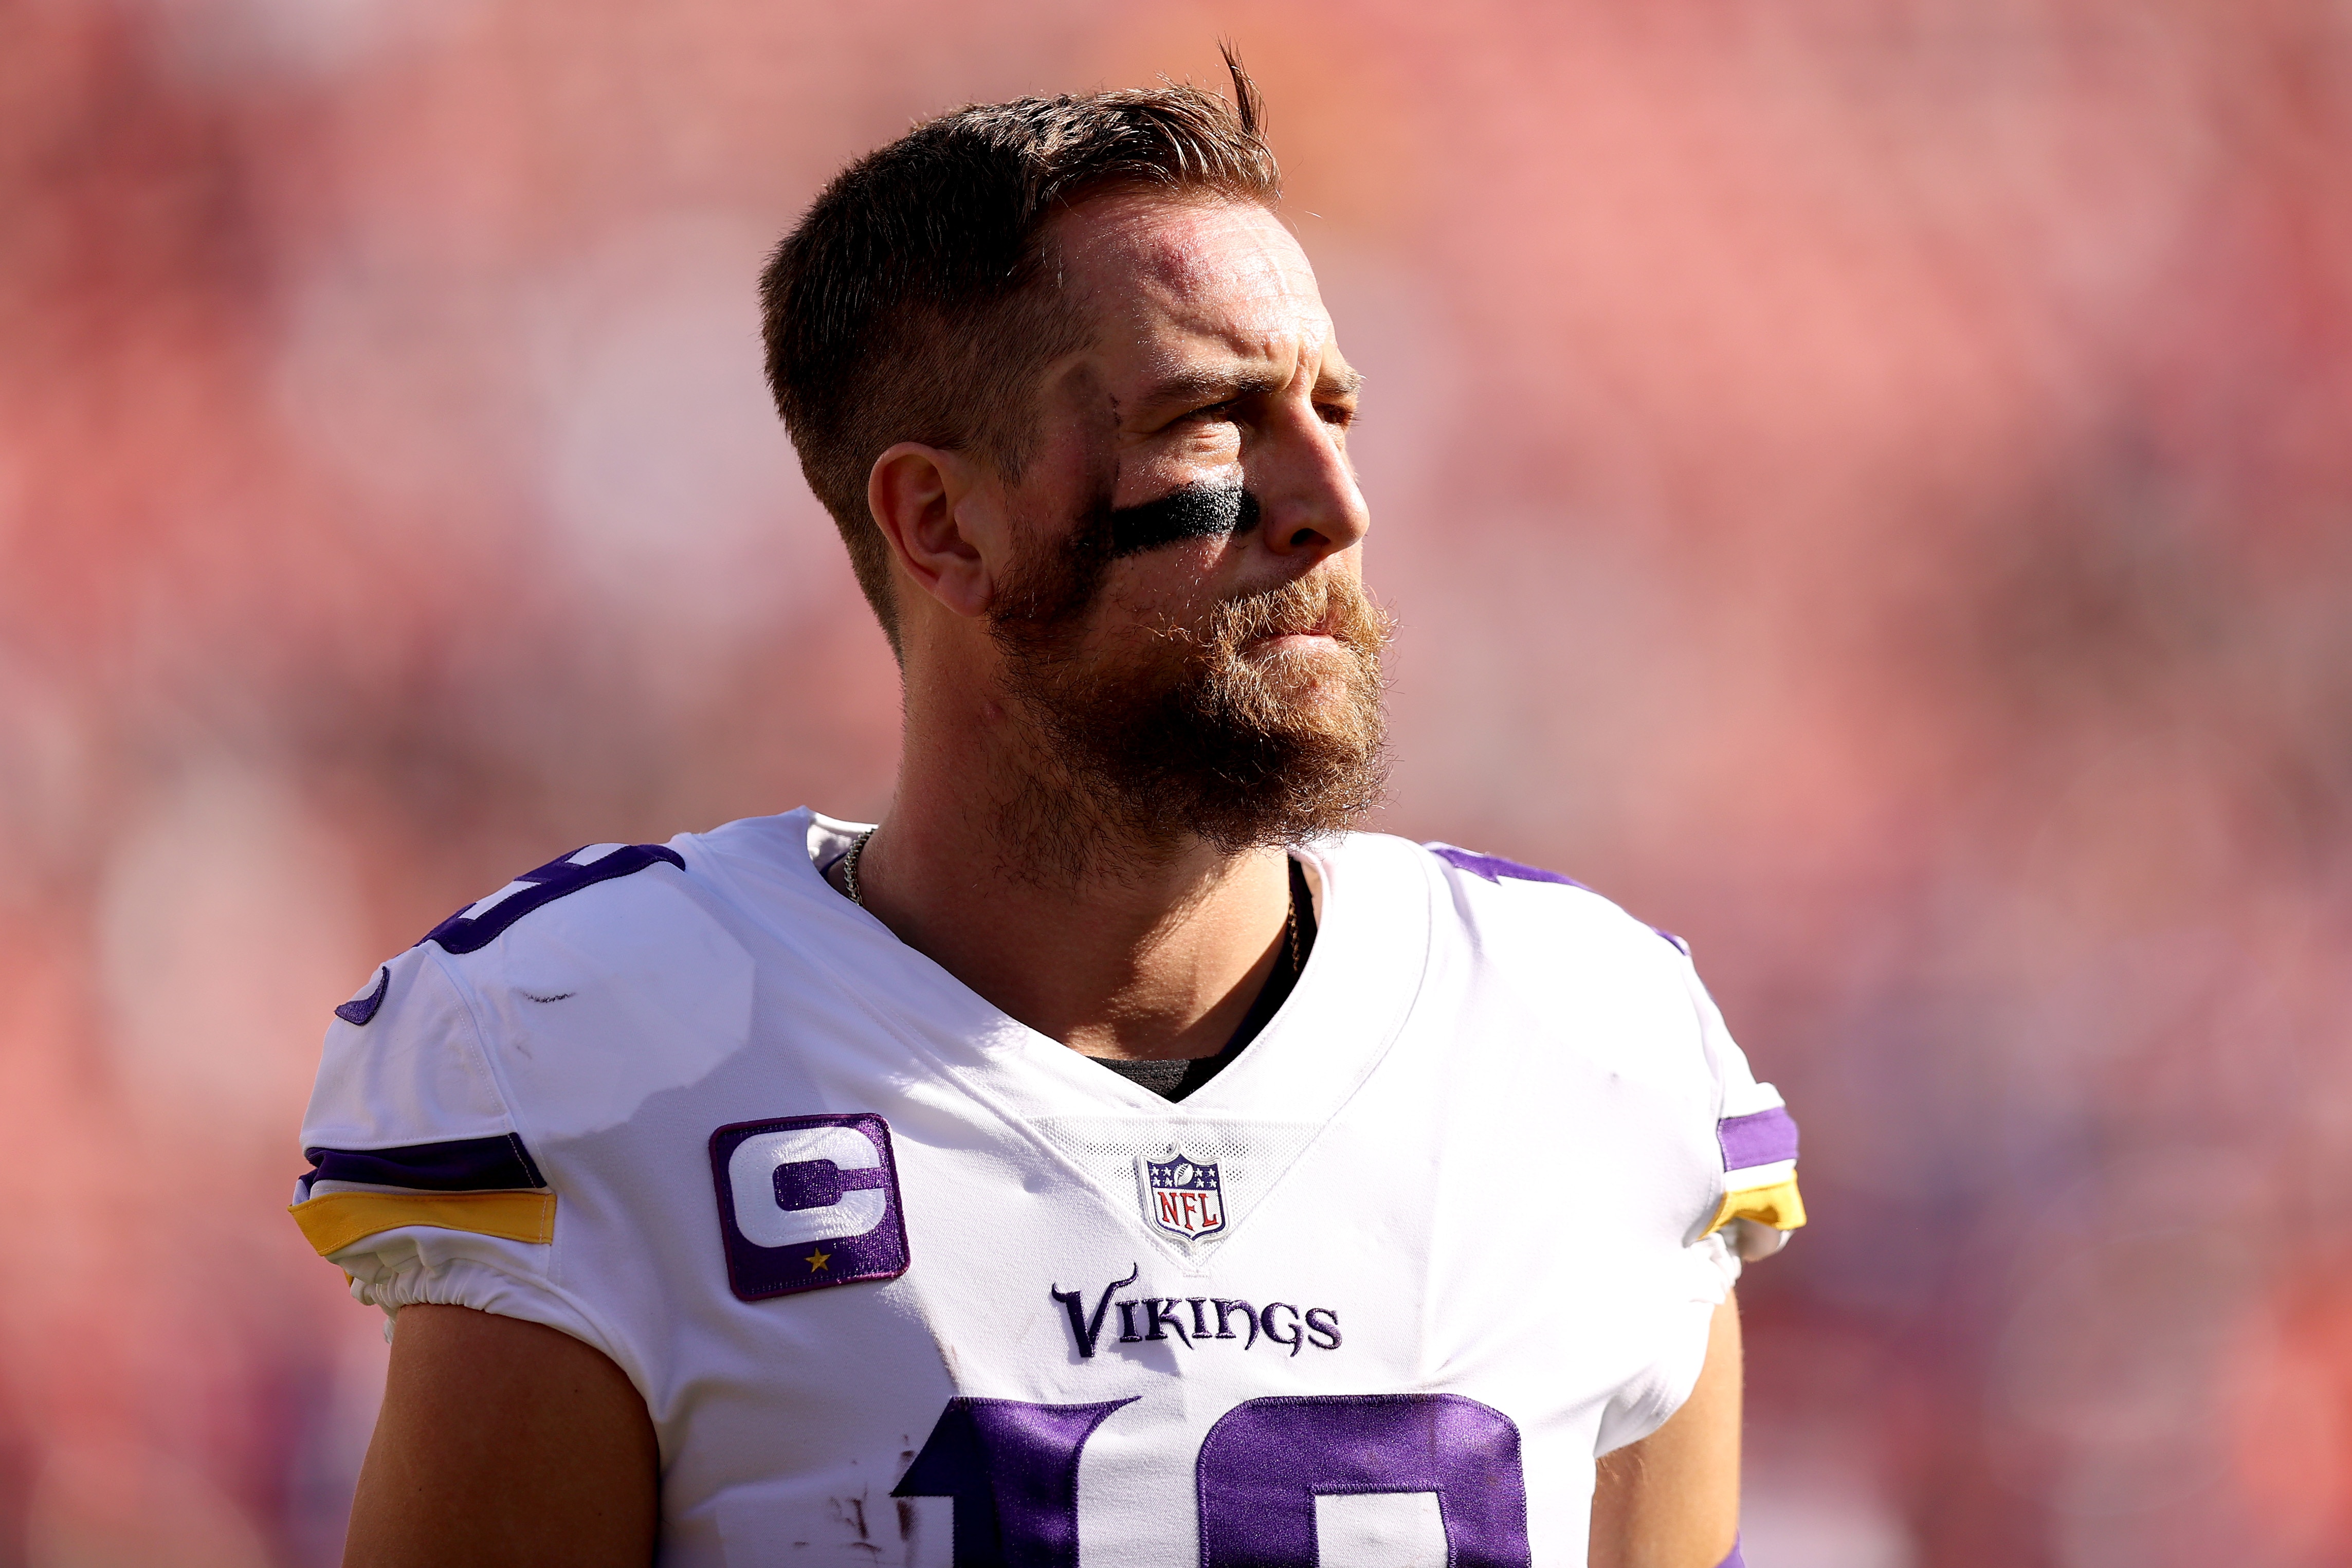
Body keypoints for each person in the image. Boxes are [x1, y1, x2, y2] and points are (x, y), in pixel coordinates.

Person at [291, 53, 1803, 1568]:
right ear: (942, 521)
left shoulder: (1589, 1044)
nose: (1334, 501)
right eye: (1213, 420)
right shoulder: (618, 1052)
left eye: (1333, 408)